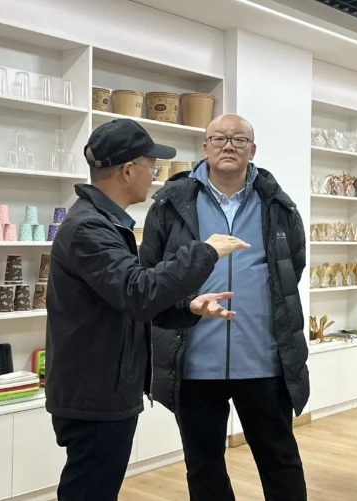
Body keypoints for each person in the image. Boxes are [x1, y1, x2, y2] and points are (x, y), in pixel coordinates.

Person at [46, 118, 250, 501]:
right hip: (94, 395)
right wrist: (206, 252)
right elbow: (138, 292)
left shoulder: (105, 224)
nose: (154, 174)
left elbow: (129, 301)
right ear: (127, 171)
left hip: (104, 390)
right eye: (150, 165)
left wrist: (188, 308)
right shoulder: (89, 229)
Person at [140, 113, 308, 501]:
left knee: (280, 460)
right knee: (203, 465)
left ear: (253, 149)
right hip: (194, 359)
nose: (228, 145)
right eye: (218, 138)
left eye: (238, 139)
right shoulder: (171, 203)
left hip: (263, 359)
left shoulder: (277, 204)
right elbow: (151, 274)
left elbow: (291, 269)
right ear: (205, 147)